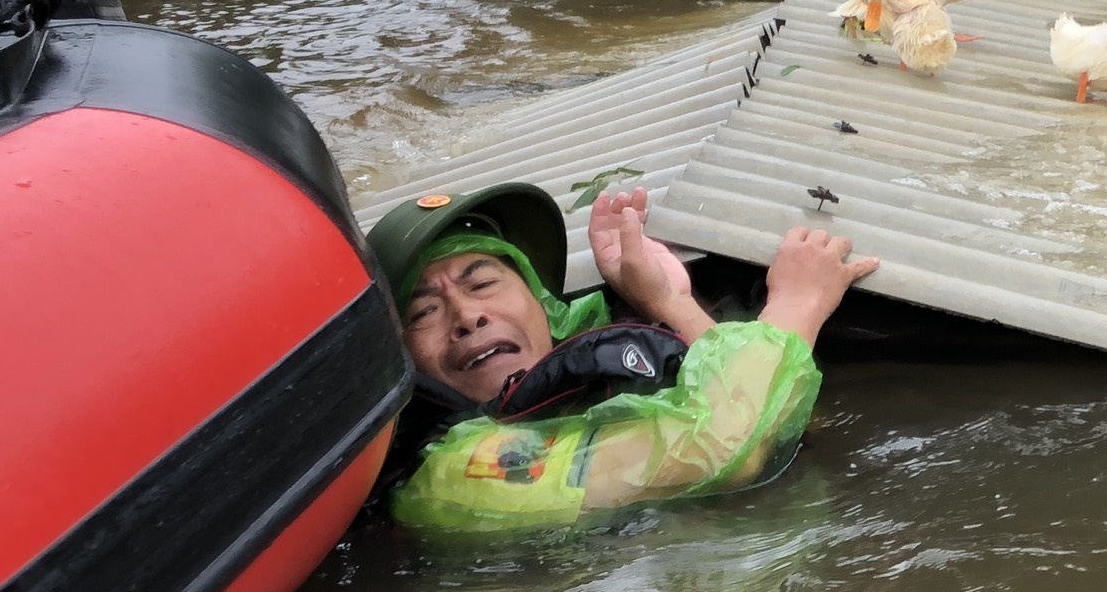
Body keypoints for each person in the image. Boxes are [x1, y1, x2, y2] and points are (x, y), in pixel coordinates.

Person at [367, 181, 877, 530]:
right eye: (423, 313)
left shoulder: (567, 394)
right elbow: (721, 450)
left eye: (482, 282)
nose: (466, 315)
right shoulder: (445, 476)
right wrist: (798, 302)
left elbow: (787, 421)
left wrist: (669, 302)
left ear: (544, 308)